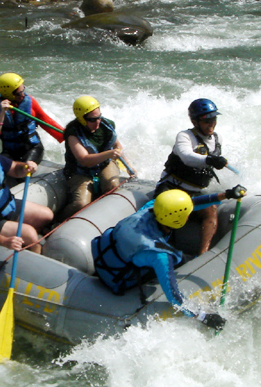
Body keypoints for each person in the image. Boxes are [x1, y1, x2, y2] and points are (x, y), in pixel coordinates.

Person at [92, 187, 246, 331]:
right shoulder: (160, 255)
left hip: (107, 259)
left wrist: (226, 195)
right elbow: (174, 297)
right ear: (179, 220)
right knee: (180, 260)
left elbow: (192, 203)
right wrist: (203, 316)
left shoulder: (150, 208)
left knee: (177, 257)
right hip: (120, 279)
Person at [155, 98, 230, 255]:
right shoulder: (185, 136)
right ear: (194, 121)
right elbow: (187, 157)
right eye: (207, 120)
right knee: (167, 213)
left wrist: (218, 161)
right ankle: (157, 248)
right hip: (172, 188)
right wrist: (209, 159)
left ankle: (203, 254)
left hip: (193, 193)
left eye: (214, 119)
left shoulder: (217, 139)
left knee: (211, 210)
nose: (211, 123)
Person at [60, 95, 134, 220]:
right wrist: (110, 154)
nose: (97, 122)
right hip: (80, 172)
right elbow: (84, 160)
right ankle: (59, 221)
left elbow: (117, 146)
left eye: (99, 117)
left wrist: (128, 166)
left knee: (112, 186)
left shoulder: (106, 125)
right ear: (82, 119)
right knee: (81, 204)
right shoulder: (73, 134)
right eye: (92, 120)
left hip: (104, 164)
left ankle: (105, 218)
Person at [0, 72, 64, 164]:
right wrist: (3, 113)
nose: (23, 95)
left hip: (31, 147)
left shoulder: (30, 101)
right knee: (2, 171)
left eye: (23, 90)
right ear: (9, 95)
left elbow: (46, 120)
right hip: (7, 149)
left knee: (24, 169)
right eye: (19, 93)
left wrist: (68, 135)